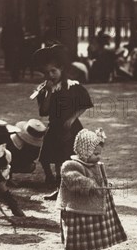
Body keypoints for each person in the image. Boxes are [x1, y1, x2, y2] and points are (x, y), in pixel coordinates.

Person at [31, 44, 94, 200]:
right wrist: (49, 92)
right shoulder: (44, 89)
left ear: (61, 69)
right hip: (55, 127)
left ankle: (72, 189)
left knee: (67, 159)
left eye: (54, 71)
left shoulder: (72, 86)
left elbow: (84, 104)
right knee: (51, 159)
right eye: (47, 72)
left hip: (70, 128)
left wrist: (72, 119)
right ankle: (58, 188)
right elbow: (43, 111)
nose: (50, 75)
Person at [56, 128, 127, 250]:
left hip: (92, 205)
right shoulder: (70, 165)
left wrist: (105, 186)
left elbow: (100, 179)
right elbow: (74, 180)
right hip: (77, 207)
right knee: (82, 230)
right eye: (95, 153)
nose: (98, 157)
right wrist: (89, 184)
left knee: (93, 229)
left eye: (99, 153)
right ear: (85, 151)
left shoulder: (96, 164)